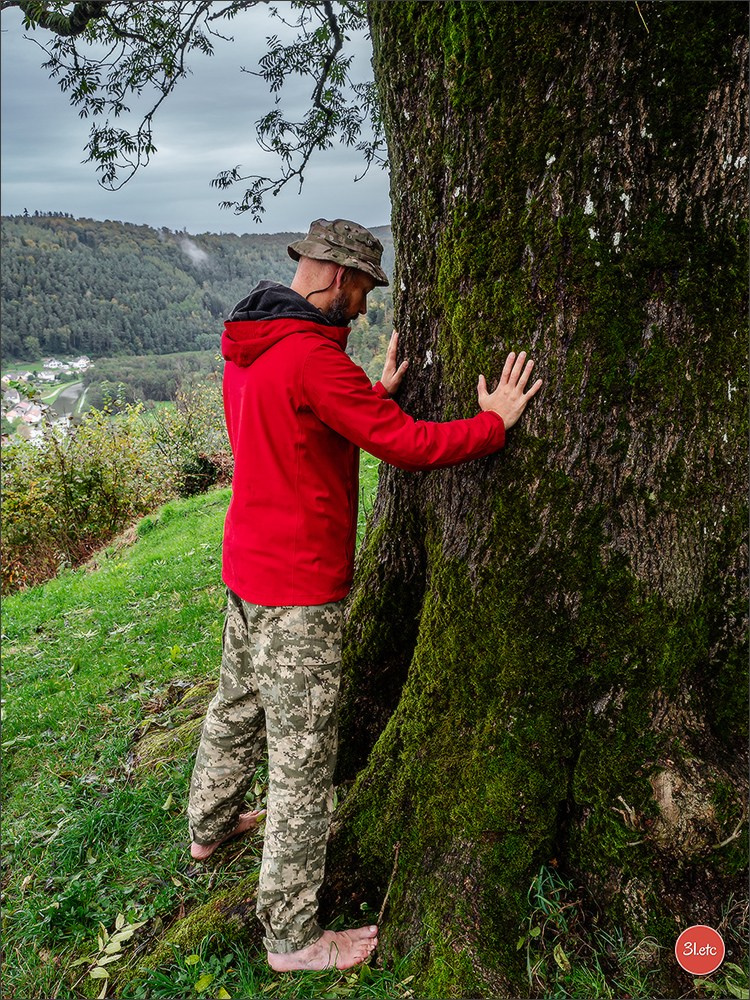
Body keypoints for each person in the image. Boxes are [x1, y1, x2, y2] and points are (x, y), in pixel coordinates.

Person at [187, 218, 542, 972]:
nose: (363, 307)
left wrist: (366, 394)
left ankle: (208, 825)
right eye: (364, 291)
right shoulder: (317, 360)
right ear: (342, 278)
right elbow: (408, 447)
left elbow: (293, 425)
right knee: (304, 763)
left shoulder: (250, 339)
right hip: (299, 589)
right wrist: (492, 425)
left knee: (234, 705)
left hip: (247, 569)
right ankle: (292, 938)